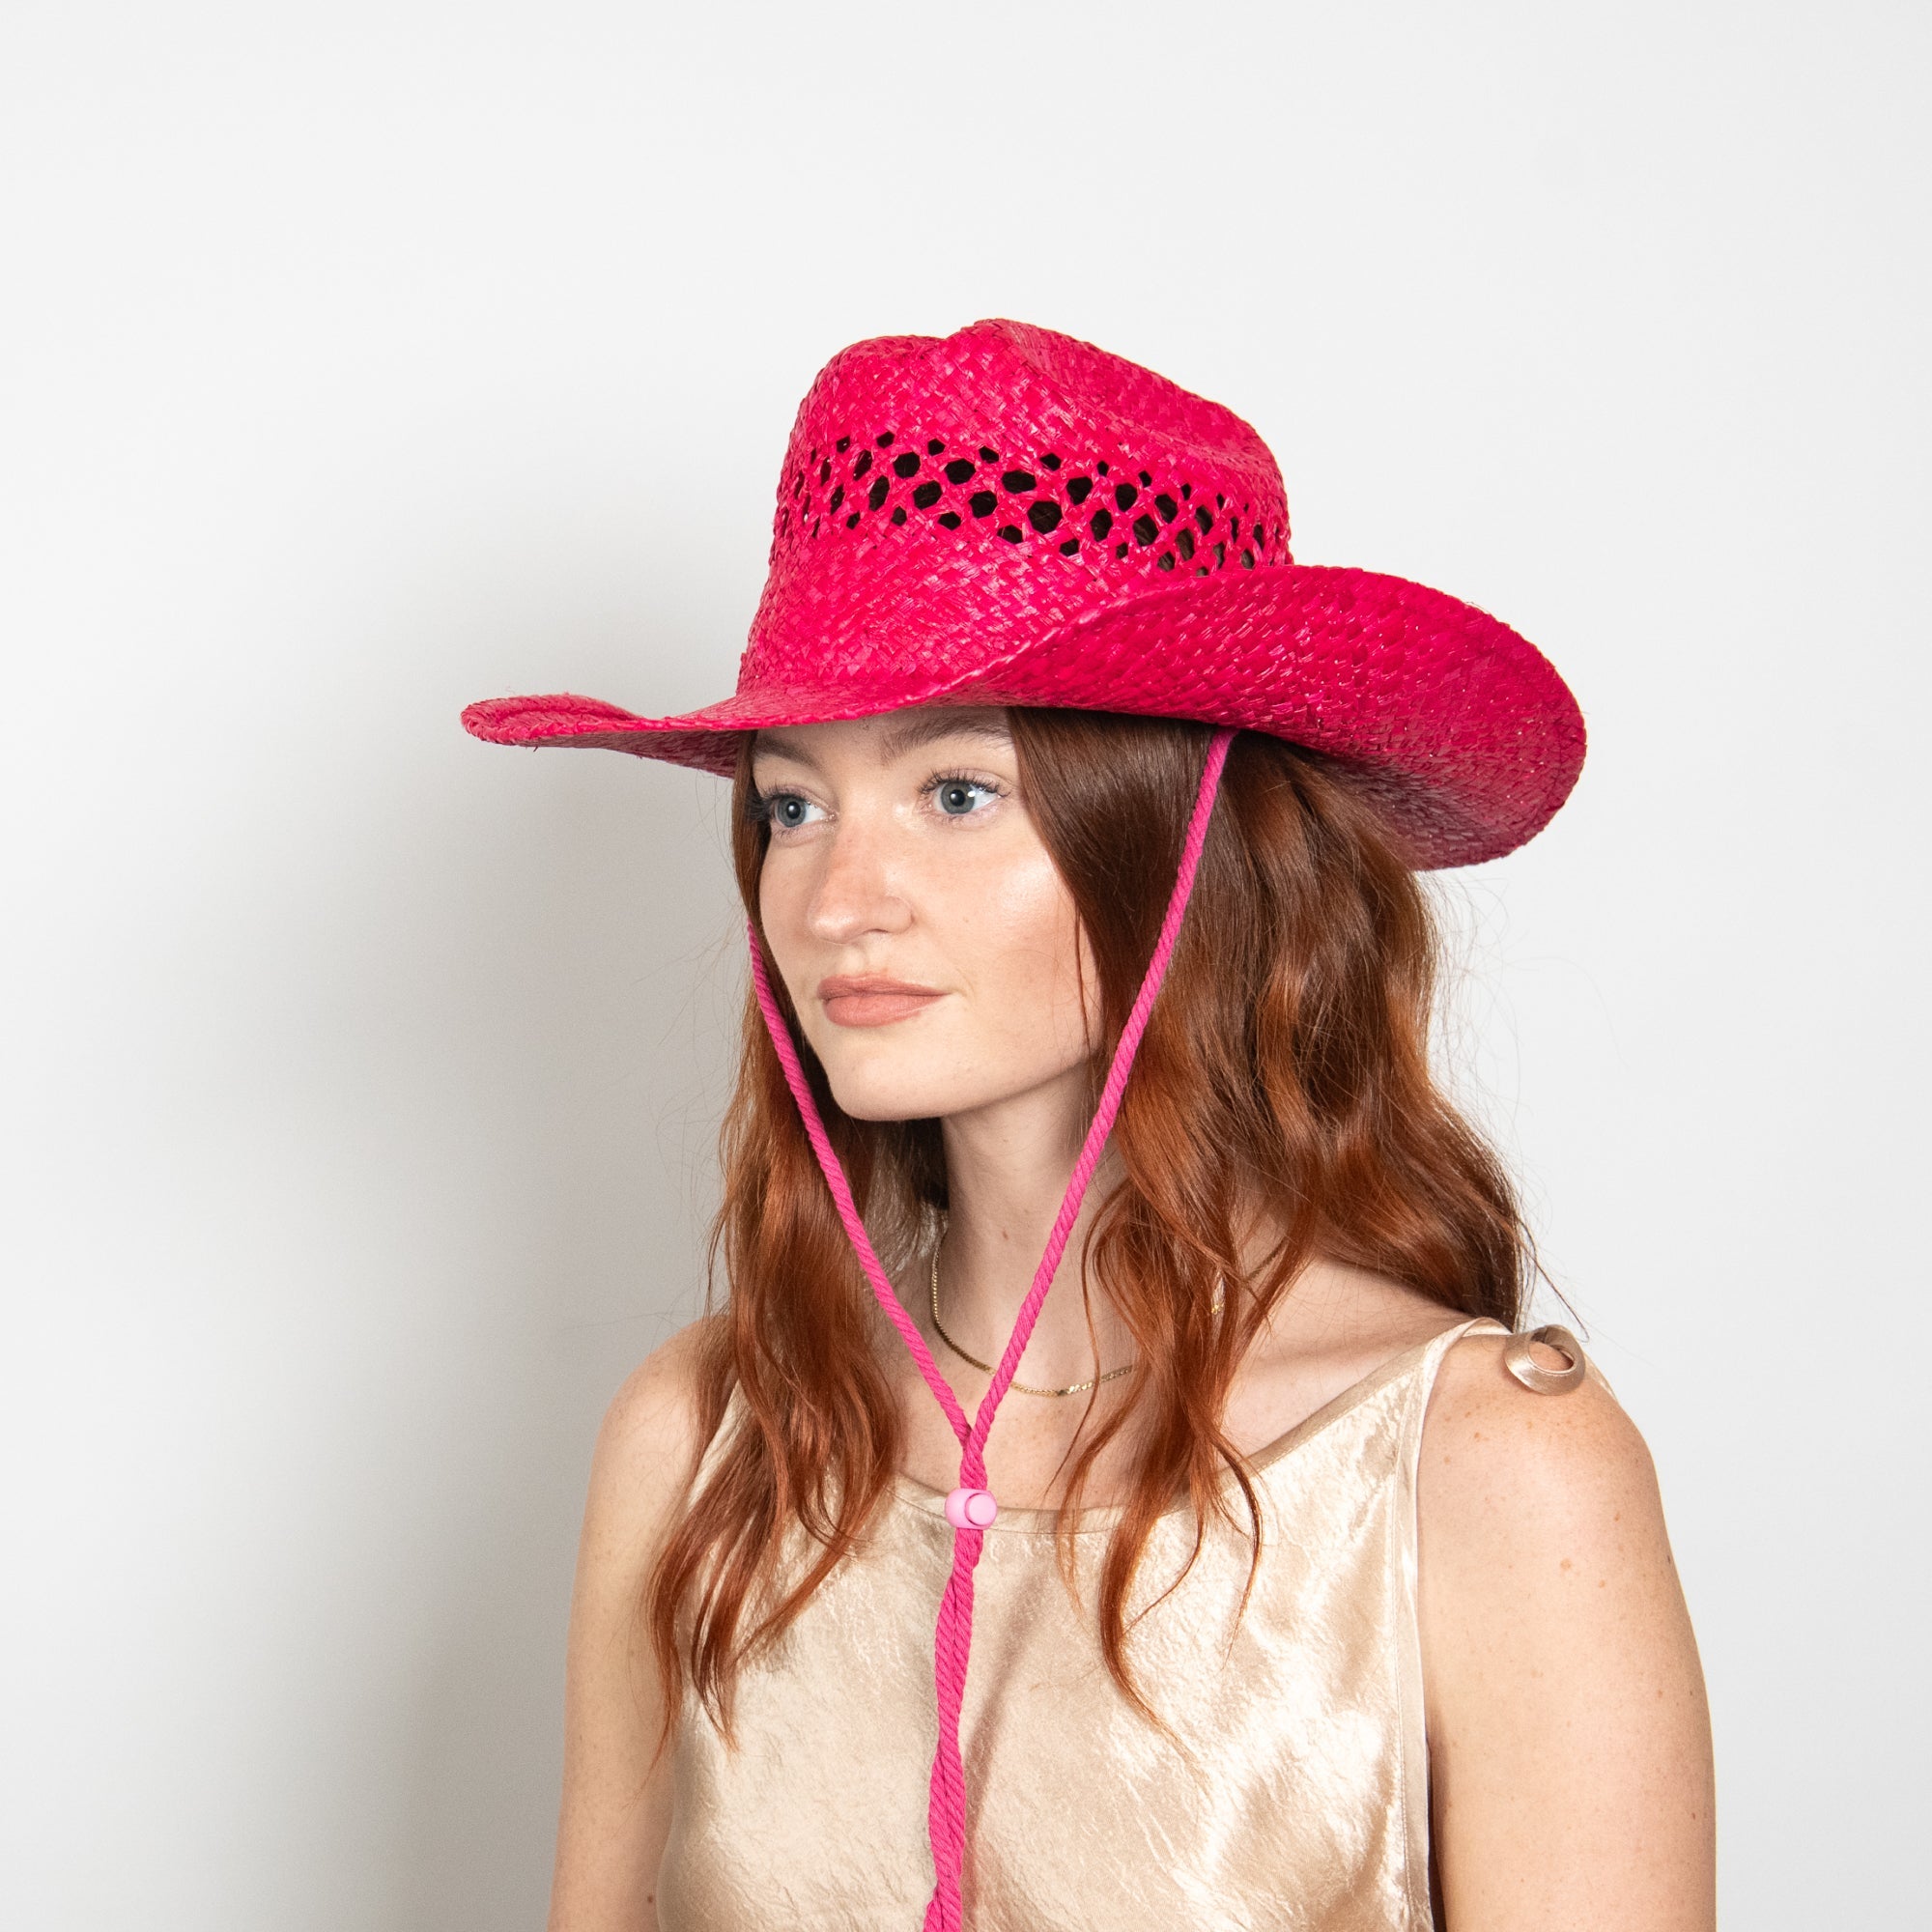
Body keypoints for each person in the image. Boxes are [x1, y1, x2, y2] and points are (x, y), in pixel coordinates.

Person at [464, 320, 1716, 1931]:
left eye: (958, 792)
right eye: (793, 804)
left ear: (1191, 842)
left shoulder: (1488, 1471)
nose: (841, 898)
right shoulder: (704, 1442)